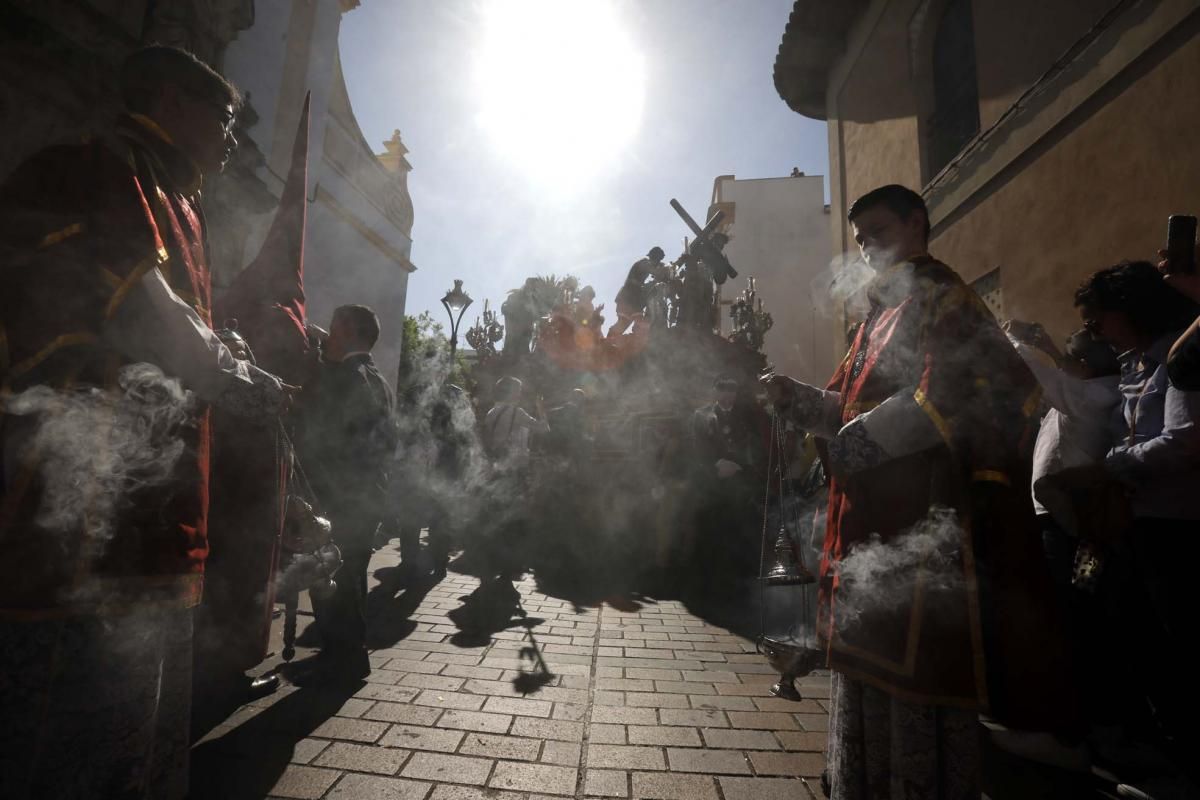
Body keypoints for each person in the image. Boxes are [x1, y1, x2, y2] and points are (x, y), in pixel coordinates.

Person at [0, 45, 287, 799]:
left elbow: (185, 332)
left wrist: (226, 354)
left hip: (156, 519)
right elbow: (150, 319)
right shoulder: (96, 168)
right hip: (77, 515)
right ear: (171, 101)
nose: (232, 136)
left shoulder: (181, 201)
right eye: (224, 117)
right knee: (65, 748)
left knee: (145, 743)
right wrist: (236, 374)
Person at [762, 185, 1076, 799]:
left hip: (922, 524)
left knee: (915, 666)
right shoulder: (878, 316)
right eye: (859, 238)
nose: (867, 246)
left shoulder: (941, 294)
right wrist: (795, 398)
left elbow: (961, 391)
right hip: (867, 521)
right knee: (862, 651)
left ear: (916, 222)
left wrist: (854, 443)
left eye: (878, 230)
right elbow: (846, 406)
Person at [1070, 261, 1200, 767]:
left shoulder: (1178, 359)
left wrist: (1115, 464)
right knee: (1136, 639)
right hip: (1134, 521)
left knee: (1176, 645)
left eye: (1097, 320)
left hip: (1175, 525)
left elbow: (1186, 442)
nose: (1092, 332)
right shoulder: (1136, 365)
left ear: (1128, 312)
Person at [295, 304, 397, 683]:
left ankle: (344, 660)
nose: (329, 336)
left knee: (334, 576)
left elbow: (319, 432)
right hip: (365, 494)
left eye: (335, 328)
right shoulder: (374, 377)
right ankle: (347, 654)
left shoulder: (344, 378)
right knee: (350, 574)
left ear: (348, 333)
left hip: (341, 495)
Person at [688, 375, 762, 595]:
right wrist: (715, 465)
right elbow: (698, 446)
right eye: (723, 389)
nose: (728, 394)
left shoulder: (746, 416)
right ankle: (709, 580)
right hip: (713, 481)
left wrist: (742, 467)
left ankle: (739, 581)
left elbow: (756, 445)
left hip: (741, 480)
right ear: (714, 391)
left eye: (732, 390)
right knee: (712, 528)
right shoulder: (701, 415)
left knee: (740, 529)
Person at [609, 246, 668, 337]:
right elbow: (656, 272)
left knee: (633, 323)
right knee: (625, 323)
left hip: (633, 298)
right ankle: (607, 341)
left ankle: (611, 341)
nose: (658, 263)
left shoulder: (645, 265)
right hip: (628, 297)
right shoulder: (644, 263)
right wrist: (664, 269)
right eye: (658, 260)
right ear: (656, 258)